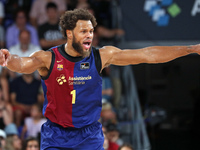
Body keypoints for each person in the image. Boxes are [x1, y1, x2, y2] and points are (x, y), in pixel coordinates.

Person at [0, 8, 200, 149]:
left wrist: (190, 49)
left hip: (89, 135)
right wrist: (9, 59)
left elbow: (147, 54)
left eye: (91, 31)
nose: (90, 35)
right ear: (69, 33)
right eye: (84, 31)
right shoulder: (48, 58)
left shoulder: (102, 55)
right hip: (56, 135)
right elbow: (23, 64)